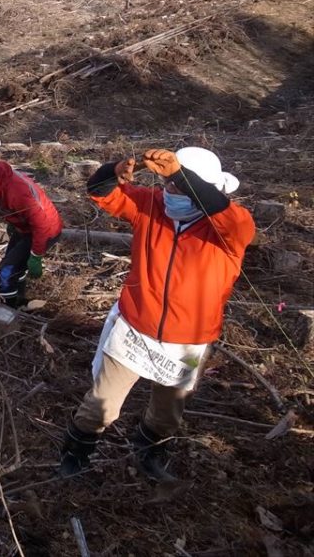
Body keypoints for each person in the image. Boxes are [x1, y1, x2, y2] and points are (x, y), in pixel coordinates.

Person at [59, 147, 255, 481]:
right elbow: (99, 192)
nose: (171, 193)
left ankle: (150, 452)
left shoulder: (231, 228)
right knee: (100, 404)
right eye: (168, 185)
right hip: (135, 327)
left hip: (189, 342)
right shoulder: (151, 206)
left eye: (179, 186)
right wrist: (113, 170)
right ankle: (74, 457)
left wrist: (179, 174)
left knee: (167, 414)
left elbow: (225, 214)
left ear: (206, 189)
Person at [0, 158, 63, 308]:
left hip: (45, 230)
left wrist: (36, 256)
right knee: (16, 266)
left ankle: (7, 307)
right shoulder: (0, 177)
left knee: (7, 270)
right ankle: (19, 299)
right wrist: (14, 223)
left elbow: (41, 224)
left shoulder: (17, 192)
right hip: (26, 227)